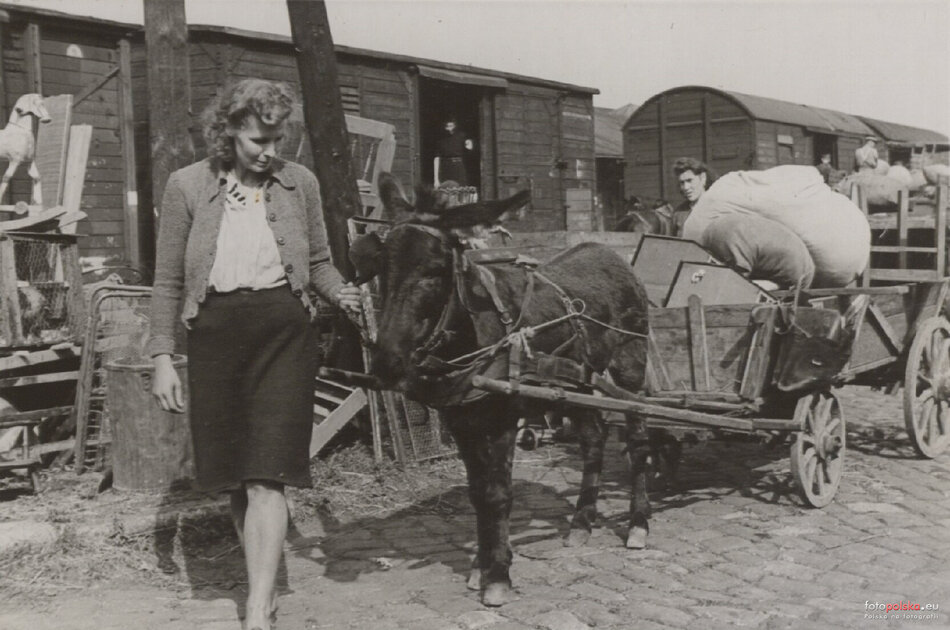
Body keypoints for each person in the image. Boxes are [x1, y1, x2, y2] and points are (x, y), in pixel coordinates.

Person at [146, 78, 361, 630]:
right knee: (240, 475)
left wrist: (342, 292)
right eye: (257, 141)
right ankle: (259, 580)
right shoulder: (187, 186)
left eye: (277, 139)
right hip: (215, 334)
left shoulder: (300, 184)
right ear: (228, 132)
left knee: (270, 473)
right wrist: (162, 356)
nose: (269, 152)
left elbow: (316, 263)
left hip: (284, 334)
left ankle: (259, 608)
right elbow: (168, 280)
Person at [671, 157, 714, 236]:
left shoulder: (719, 207)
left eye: (689, 180)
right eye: (682, 183)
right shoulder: (679, 213)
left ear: (703, 178)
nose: (686, 187)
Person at [433, 117, 474, 187]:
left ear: (455, 126)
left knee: (461, 190)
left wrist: (470, 145)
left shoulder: (462, 136)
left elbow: (469, 150)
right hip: (445, 168)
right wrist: (436, 179)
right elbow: (437, 159)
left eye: (451, 126)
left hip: (458, 168)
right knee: (446, 191)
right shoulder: (440, 140)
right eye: (447, 127)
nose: (449, 129)